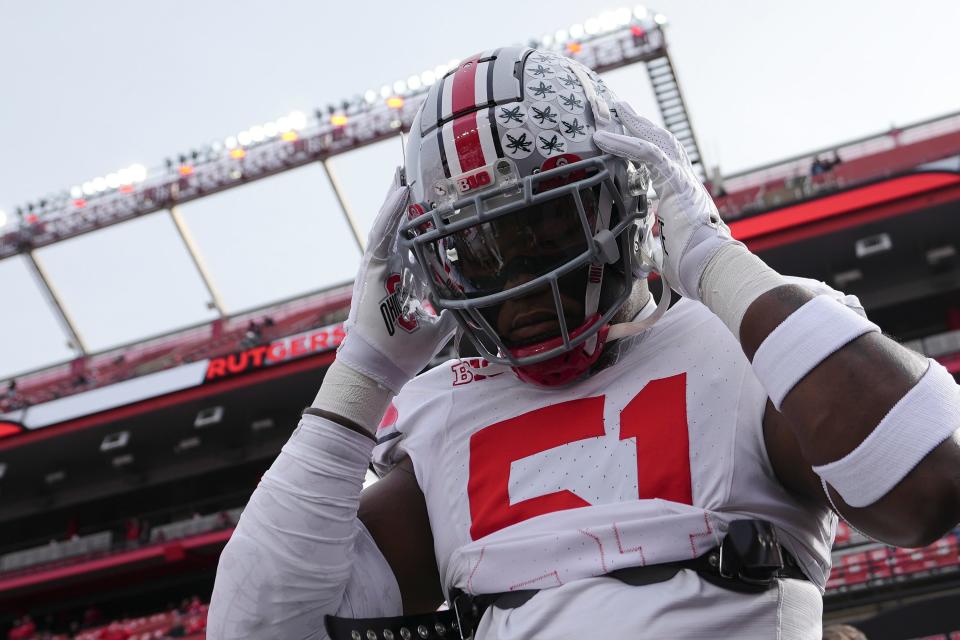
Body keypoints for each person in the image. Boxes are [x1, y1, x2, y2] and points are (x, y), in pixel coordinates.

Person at [209, 47, 960, 639]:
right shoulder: (442, 415)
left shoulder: (744, 343)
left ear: (624, 205)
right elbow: (261, 629)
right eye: (476, 250)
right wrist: (361, 375)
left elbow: (926, 484)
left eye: (548, 228)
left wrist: (713, 262)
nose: (518, 281)